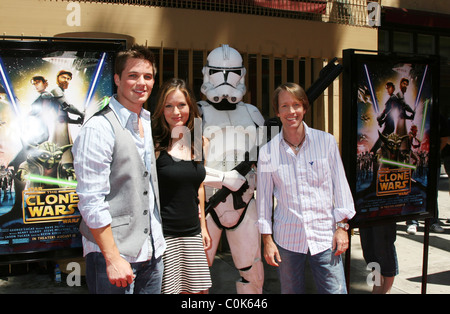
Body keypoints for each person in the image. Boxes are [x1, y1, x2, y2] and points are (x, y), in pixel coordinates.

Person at [73, 44, 166, 294]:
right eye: (133, 75)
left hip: (152, 251)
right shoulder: (98, 128)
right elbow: (91, 200)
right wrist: (113, 258)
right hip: (113, 257)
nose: (141, 83)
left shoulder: (146, 121)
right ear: (117, 79)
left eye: (147, 77)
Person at [257, 82, 355, 294]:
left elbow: (341, 186)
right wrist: (267, 240)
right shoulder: (267, 152)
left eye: (296, 105)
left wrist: (342, 227)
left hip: (325, 237)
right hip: (287, 240)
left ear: (304, 107)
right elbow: (263, 201)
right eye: (284, 106)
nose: (291, 111)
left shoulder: (326, 142)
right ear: (277, 111)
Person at [199, 45, 265, 293]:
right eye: (218, 72)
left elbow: (269, 161)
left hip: (245, 203)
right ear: (207, 73)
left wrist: (253, 179)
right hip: (206, 205)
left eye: (232, 73)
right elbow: (182, 169)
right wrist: (225, 178)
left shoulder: (253, 114)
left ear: (242, 74)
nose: (225, 80)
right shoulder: (195, 113)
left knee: (253, 273)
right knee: (196, 276)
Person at [152, 78, 212, 294]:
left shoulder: (200, 142)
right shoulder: (154, 144)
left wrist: (203, 226)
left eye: (181, 105)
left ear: (190, 107)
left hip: (192, 232)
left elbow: (199, 187)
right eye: (169, 106)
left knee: (199, 292)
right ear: (161, 110)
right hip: (165, 234)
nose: (176, 111)